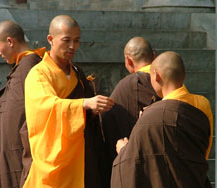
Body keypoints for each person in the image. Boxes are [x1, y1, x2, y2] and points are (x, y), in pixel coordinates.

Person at [23, 15, 114, 188]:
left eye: (77, 40)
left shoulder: (77, 73)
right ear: (50, 39)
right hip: (57, 159)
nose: (72, 46)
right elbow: (46, 106)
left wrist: (93, 111)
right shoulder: (39, 74)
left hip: (83, 155)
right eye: (66, 40)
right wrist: (84, 104)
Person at [111, 51, 213, 188]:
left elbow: (137, 162)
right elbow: (204, 151)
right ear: (184, 76)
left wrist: (123, 151)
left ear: (157, 77)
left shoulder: (151, 116)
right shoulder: (203, 104)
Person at [0, 20, 46, 188]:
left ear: (10, 42)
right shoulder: (22, 67)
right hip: (13, 159)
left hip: (21, 159)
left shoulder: (30, 67)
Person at [102, 37, 160, 185]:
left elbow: (108, 127)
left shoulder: (125, 87)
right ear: (154, 56)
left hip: (131, 171)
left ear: (128, 60)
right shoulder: (169, 83)